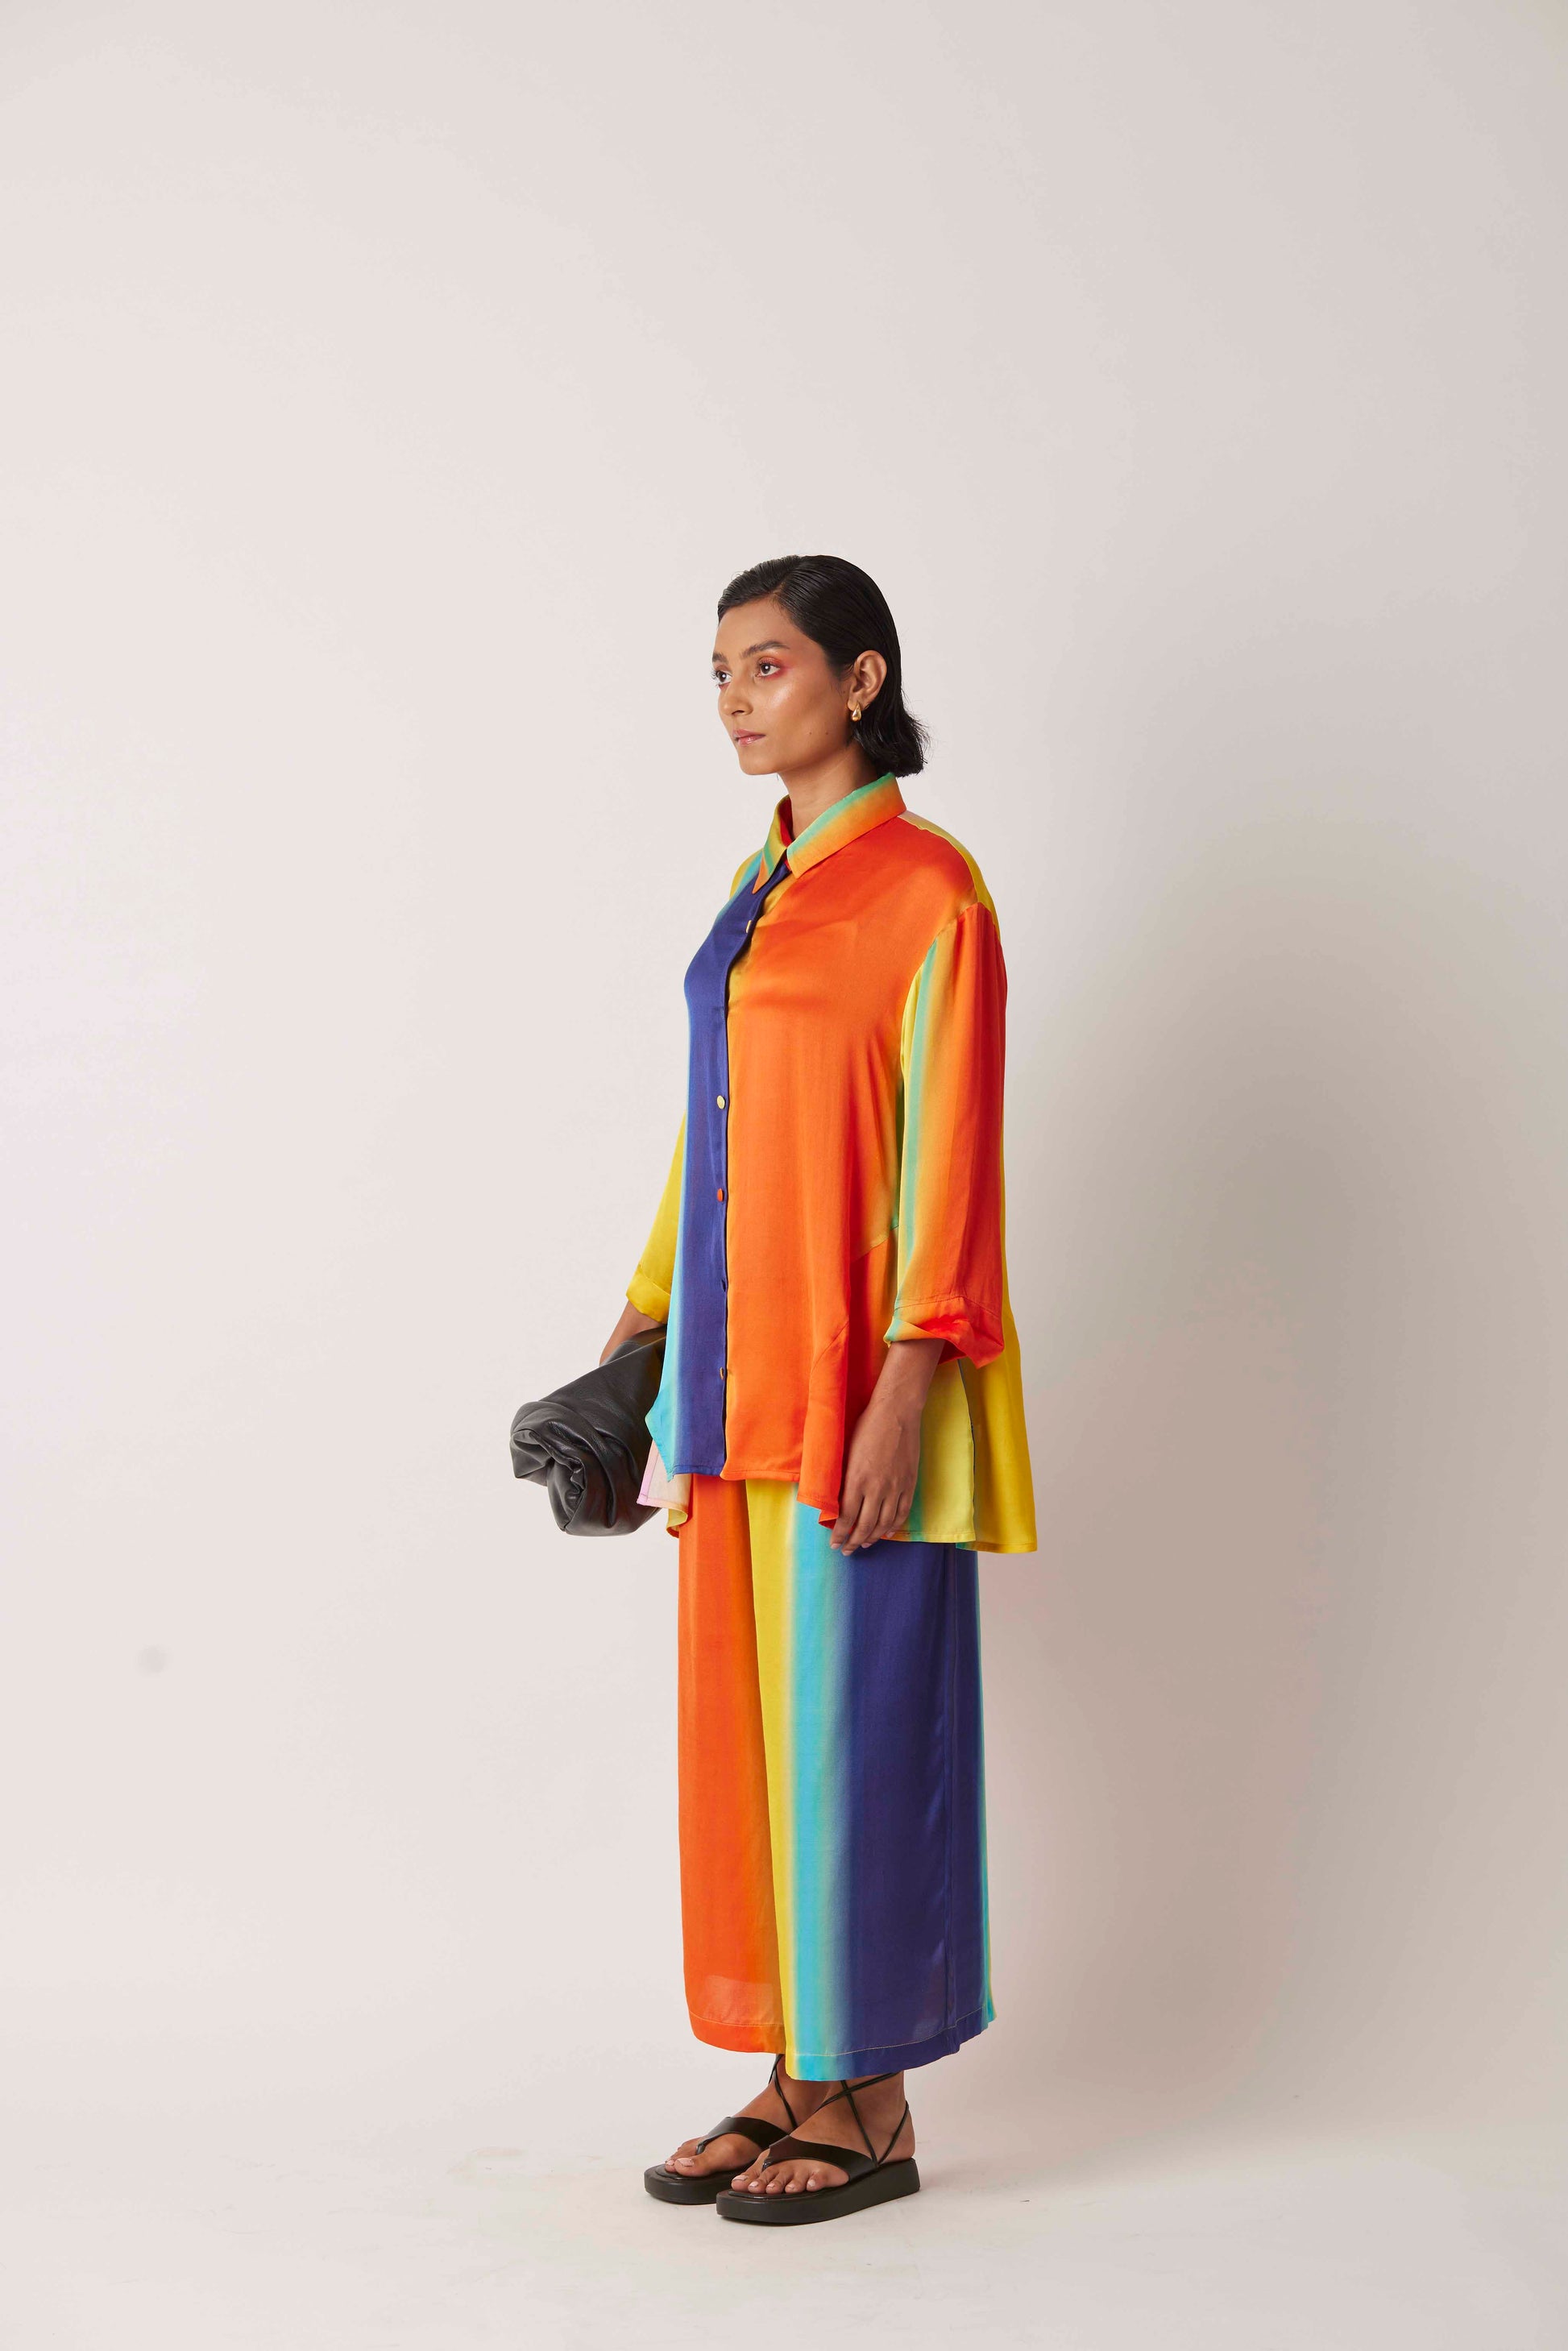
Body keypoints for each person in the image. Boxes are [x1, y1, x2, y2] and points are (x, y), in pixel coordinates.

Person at [606, 554, 1035, 2226]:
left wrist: (905, 1387)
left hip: (854, 1376)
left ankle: (876, 2097)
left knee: (861, 1726)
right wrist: (638, 1334)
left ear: (860, 681)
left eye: (767, 664)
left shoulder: (930, 889)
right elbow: (705, 1125)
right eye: (719, 669)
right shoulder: (756, 883)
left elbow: (952, 1149)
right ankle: (801, 2064)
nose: (734, 696)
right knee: (756, 1741)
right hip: (729, 1377)